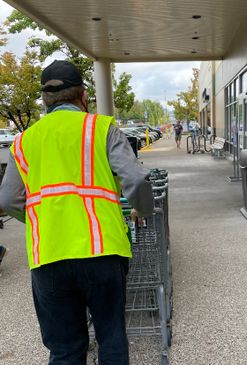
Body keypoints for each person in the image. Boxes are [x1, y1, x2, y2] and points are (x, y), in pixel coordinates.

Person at [0, 60, 154, 365]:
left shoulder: (24, 140)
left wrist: (36, 219)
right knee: (111, 339)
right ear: (83, 96)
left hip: (50, 256)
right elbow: (135, 179)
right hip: (102, 250)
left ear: (45, 99)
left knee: (65, 349)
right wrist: (141, 210)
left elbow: (7, 199)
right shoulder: (101, 128)